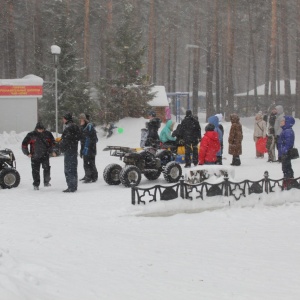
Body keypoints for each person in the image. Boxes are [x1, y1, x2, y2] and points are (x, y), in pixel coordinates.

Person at [22, 122, 55, 190]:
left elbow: (53, 143)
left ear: (44, 129)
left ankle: (46, 182)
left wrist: (51, 151)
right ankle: (36, 184)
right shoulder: (31, 135)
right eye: (39, 129)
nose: (40, 131)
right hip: (35, 156)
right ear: (36, 129)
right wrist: (27, 153)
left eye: (42, 129)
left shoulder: (48, 134)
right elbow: (24, 144)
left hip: (45, 155)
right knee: (35, 171)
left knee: (47, 169)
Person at [60, 112, 81, 193]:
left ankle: (71, 187)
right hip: (74, 150)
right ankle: (74, 186)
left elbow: (65, 140)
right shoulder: (75, 126)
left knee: (68, 169)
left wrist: (60, 146)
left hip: (69, 150)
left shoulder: (68, 127)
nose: (62, 120)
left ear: (66, 119)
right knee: (73, 168)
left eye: (63, 118)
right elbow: (79, 137)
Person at [79, 113, 98, 183]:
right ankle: (89, 175)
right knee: (86, 162)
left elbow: (92, 139)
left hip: (90, 148)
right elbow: (82, 139)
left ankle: (91, 176)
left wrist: (88, 148)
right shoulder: (83, 127)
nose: (80, 121)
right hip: (86, 148)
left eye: (81, 119)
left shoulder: (89, 127)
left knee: (90, 162)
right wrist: (82, 150)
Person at [278, 116, 295, 184]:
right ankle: (287, 180)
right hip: (284, 153)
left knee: (287, 168)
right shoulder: (285, 130)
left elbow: (289, 143)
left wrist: (284, 151)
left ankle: (289, 181)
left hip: (286, 153)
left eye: (283, 121)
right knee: (285, 168)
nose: (281, 122)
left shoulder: (288, 131)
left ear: (287, 122)